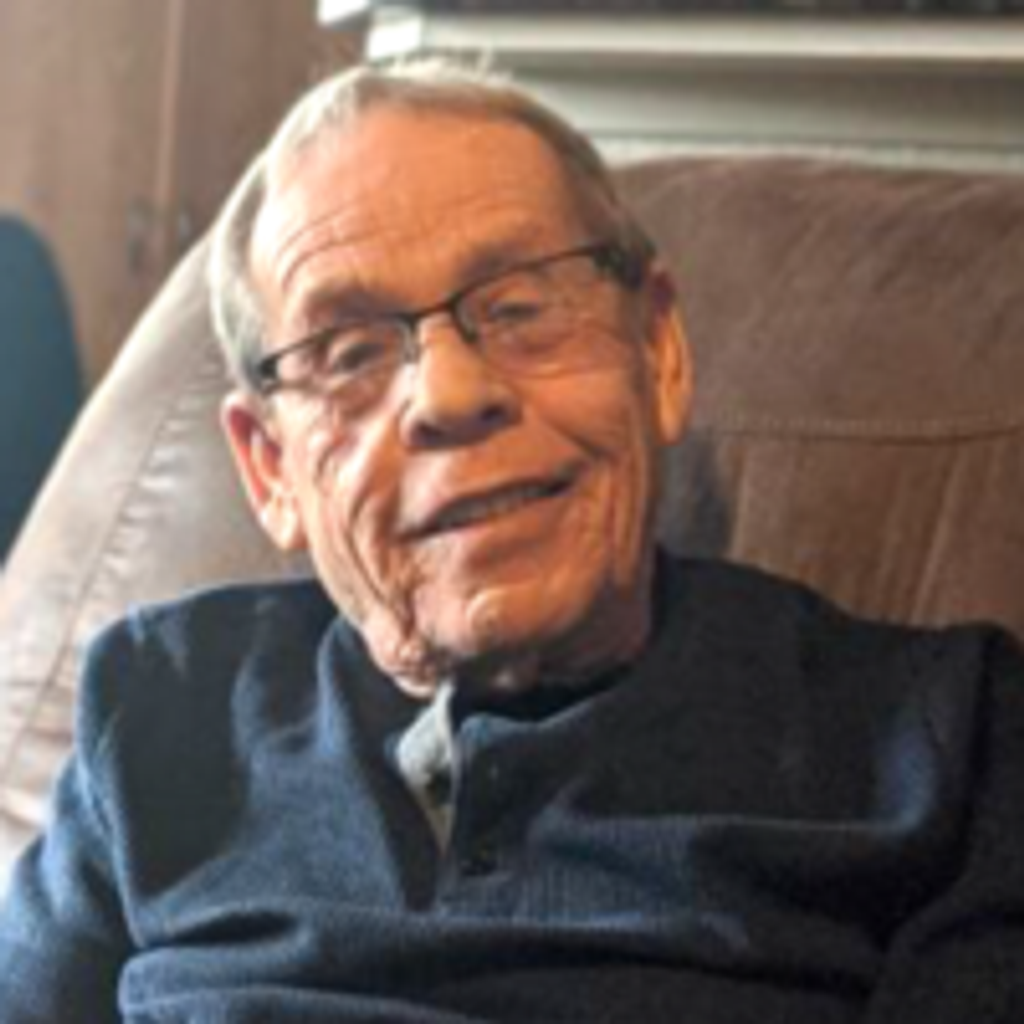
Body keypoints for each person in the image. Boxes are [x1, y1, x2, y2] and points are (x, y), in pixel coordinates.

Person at [1, 59, 1023, 1023]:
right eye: (348, 353)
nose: (451, 394)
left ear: (658, 350)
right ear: (270, 468)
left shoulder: (944, 736)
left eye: (521, 307)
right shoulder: (158, 708)